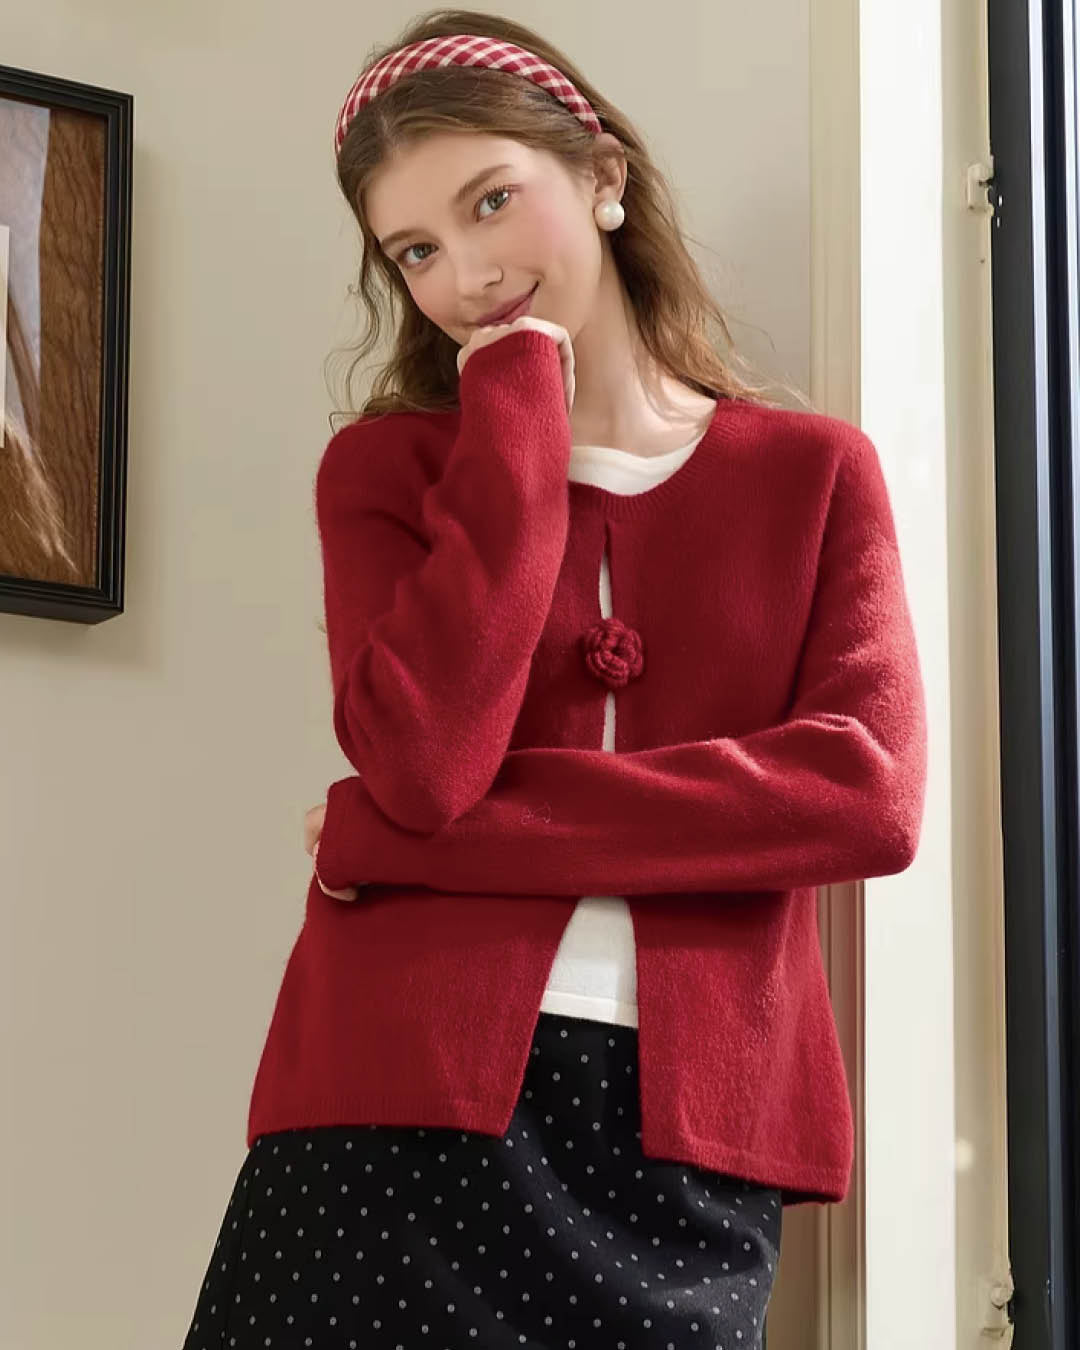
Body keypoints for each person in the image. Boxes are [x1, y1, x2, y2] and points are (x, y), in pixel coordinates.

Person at [181, 10, 928, 1350]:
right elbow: (425, 768)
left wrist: (400, 842)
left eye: (490, 201)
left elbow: (863, 796)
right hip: (389, 1106)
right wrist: (516, 419)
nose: (468, 271)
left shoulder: (816, 475)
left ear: (602, 175)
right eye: (416, 250)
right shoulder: (386, 474)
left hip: (686, 1135)